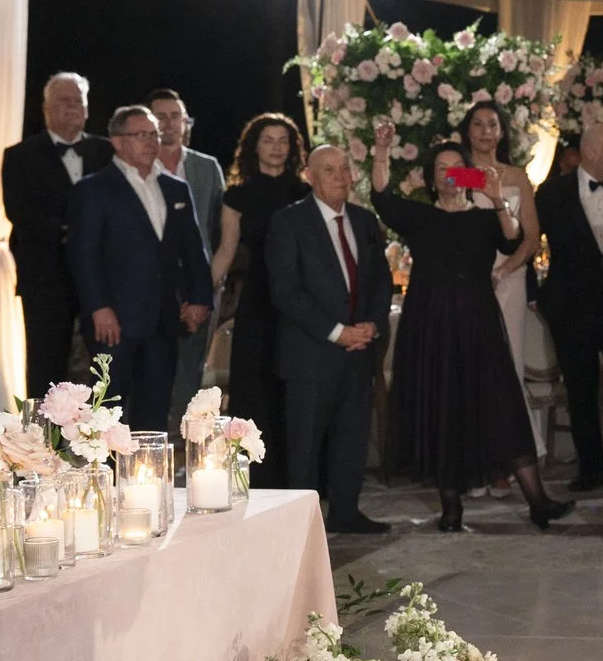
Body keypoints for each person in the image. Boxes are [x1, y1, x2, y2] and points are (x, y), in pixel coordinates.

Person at [368, 127, 572, 533]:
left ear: (468, 174)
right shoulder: (422, 217)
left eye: (458, 168)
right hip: (432, 326)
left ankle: (538, 500)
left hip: (479, 324)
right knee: (443, 409)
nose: (449, 174)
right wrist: (381, 150)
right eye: (442, 169)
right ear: (431, 178)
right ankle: (451, 507)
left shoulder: (483, 217)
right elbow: (382, 199)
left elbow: (513, 242)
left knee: (502, 405)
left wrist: (497, 197)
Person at [265, 144, 391, 533]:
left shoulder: (365, 221)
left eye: (345, 168)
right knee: (305, 441)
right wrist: (337, 333)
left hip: (358, 352)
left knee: (352, 435)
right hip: (311, 353)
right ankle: (302, 523)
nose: (341, 176)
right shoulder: (288, 222)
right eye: (330, 169)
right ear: (311, 176)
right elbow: (286, 291)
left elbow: (380, 280)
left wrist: (371, 324)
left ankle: (346, 511)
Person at [65, 105, 213, 433]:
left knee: (155, 410)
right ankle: (100, 477)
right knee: (107, 412)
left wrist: (200, 297)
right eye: (140, 135)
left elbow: (193, 248)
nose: (150, 142)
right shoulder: (94, 189)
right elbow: (83, 256)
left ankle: (146, 479)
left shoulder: (175, 188)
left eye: (154, 135)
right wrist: (98, 308)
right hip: (113, 321)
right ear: (117, 141)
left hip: (162, 319)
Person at [207, 114, 305, 489]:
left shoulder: (304, 192)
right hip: (258, 302)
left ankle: (297, 477)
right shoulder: (237, 195)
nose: (277, 147)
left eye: (283, 140)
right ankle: (257, 477)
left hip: (298, 301)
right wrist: (200, 297)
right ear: (254, 147)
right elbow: (226, 252)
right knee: (254, 387)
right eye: (268, 140)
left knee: (293, 388)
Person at [1, 72, 112, 396]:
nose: (72, 106)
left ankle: (102, 440)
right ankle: (43, 443)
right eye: (64, 100)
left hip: (103, 279)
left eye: (79, 100)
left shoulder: (108, 153)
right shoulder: (19, 156)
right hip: (46, 279)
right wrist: (74, 235)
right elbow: (20, 213)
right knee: (45, 367)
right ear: (46, 109)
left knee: (106, 365)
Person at [535, 119, 603, 494]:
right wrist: (536, 294)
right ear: (589, 152)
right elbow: (529, 240)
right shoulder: (552, 192)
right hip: (571, 307)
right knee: (580, 390)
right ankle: (591, 469)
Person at [147, 89, 227, 424]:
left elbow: (218, 231)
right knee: (149, 373)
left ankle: (186, 451)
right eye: (159, 116)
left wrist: (204, 287)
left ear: (186, 122)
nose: (168, 123)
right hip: (147, 288)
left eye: (174, 116)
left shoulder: (206, 168)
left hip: (197, 288)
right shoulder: (135, 166)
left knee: (190, 376)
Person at [459, 100, 541, 398]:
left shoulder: (518, 176)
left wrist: (505, 270)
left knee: (509, 356)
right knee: (470, 358)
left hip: (510, 276)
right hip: (469, 278)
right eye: (478, 125)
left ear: (502, 131)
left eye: (492, 124)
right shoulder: (459, 174)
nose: (485, 131)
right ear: (467, 132)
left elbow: (531, 236)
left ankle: (513, 436)